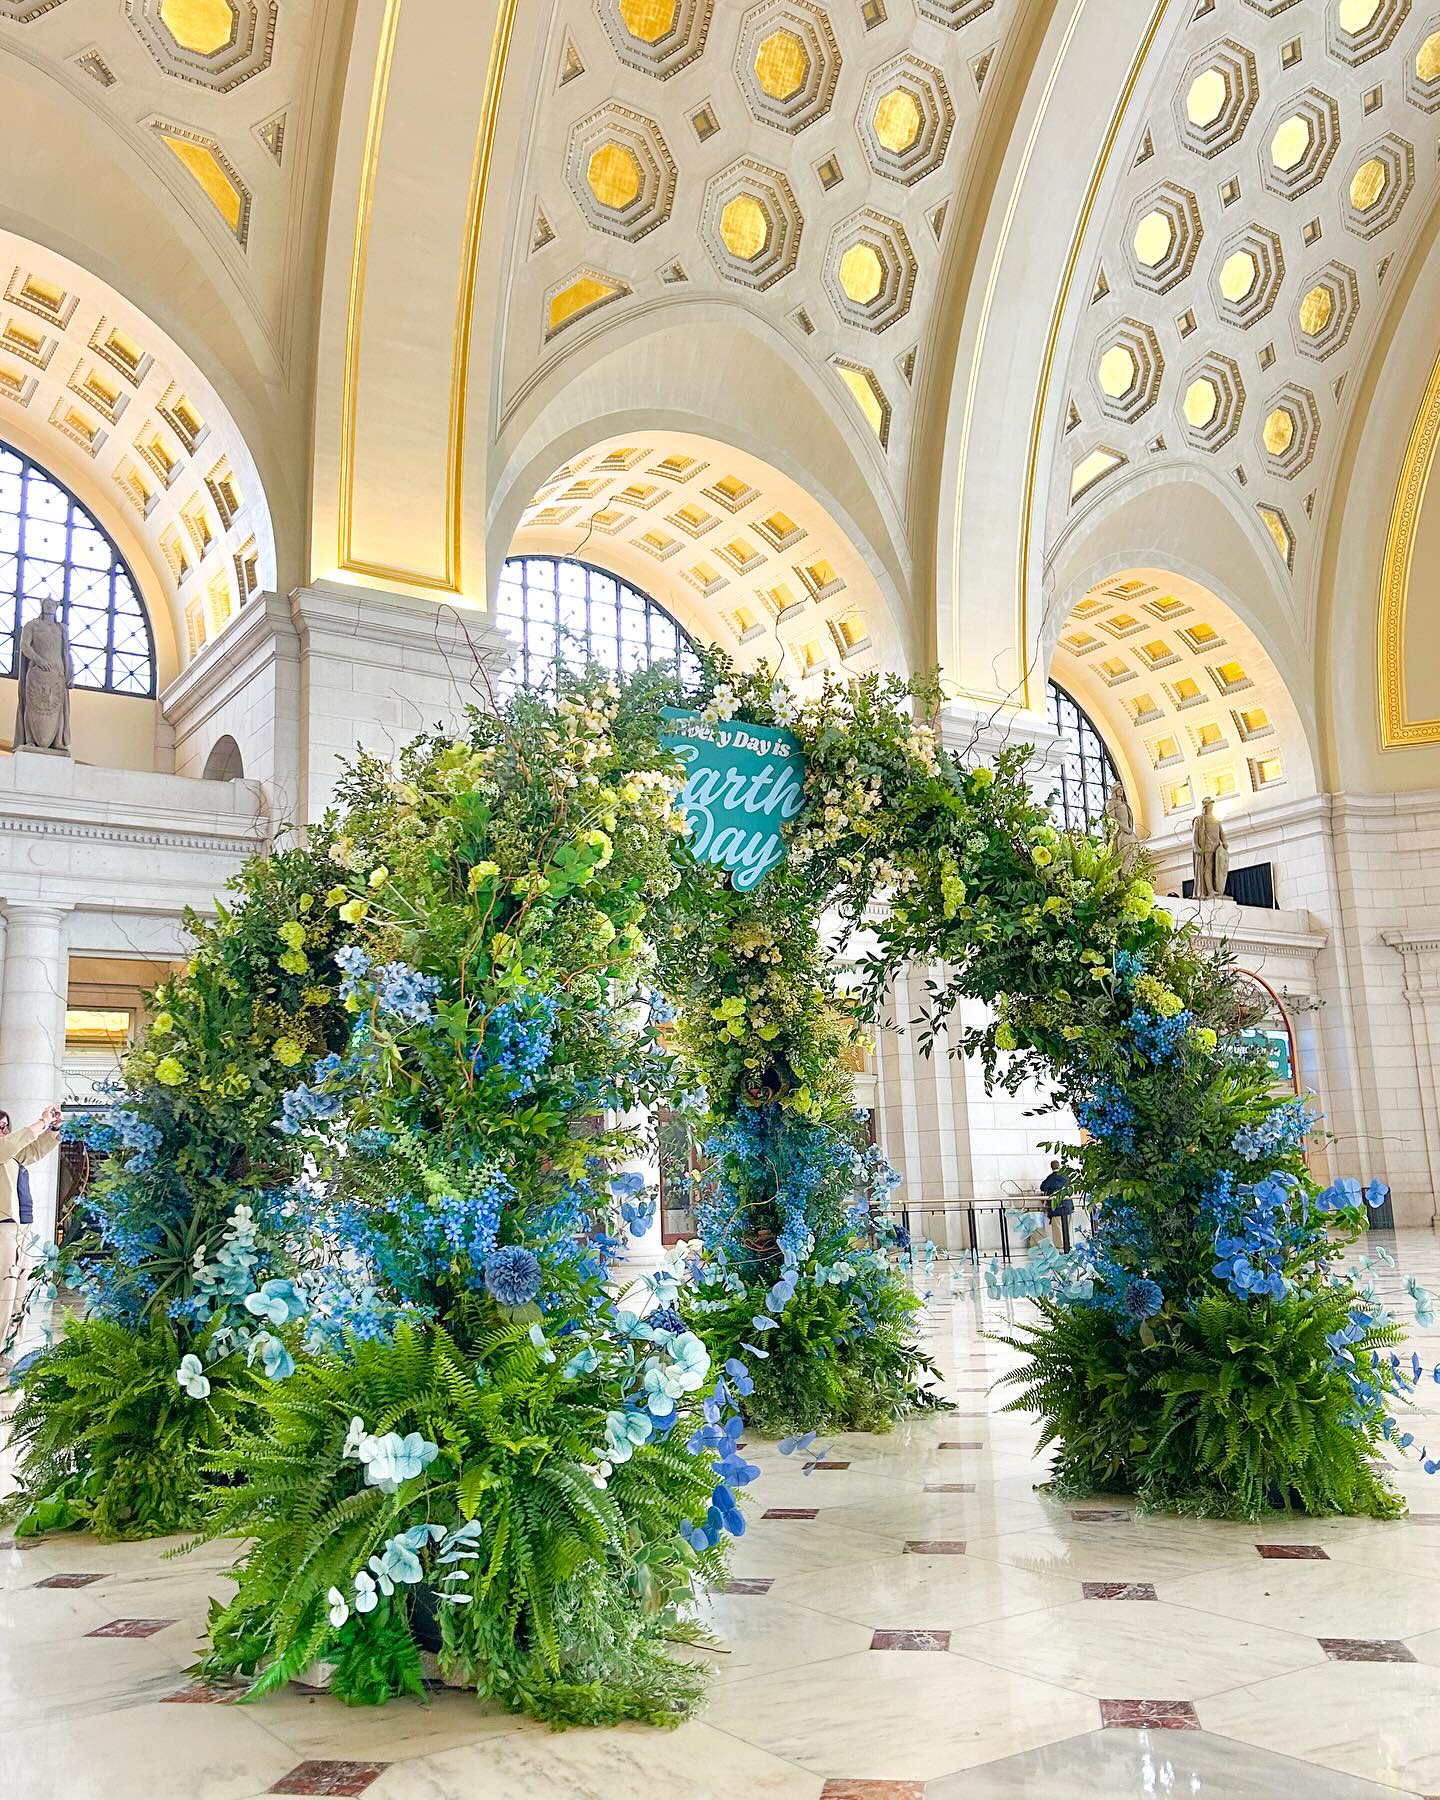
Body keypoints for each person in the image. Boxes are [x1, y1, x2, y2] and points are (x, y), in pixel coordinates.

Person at [0, 1103, 62, 1357]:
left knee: (20, 1292)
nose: (3, 1131)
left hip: (22, 1226)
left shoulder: (11, 1153)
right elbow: (14, 1144)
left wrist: (54, 1127)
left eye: (6, 1126)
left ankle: (10, 1349)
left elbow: (33, 1150)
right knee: (4, 1291)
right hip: (3, 1229)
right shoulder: (4, 1150)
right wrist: (41, 1122)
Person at [1039, 1158, 1073, 1252]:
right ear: (1059, 1166)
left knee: (1057, 1227)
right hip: (1068, 1206)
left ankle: (1060, 1246)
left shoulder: (1051, 1177)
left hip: (1056, 1207)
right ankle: (1068, 1244)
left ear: (1051, 1167)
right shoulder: (1066, 1177)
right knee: (1067, 1226)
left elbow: (1043, 1187)